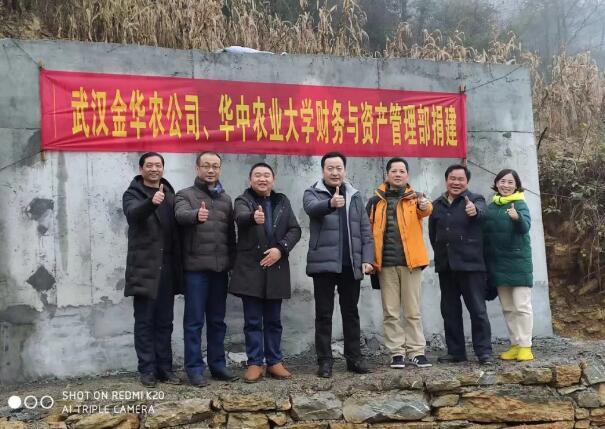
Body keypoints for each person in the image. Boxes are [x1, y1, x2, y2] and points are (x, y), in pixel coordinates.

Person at [303, 151, 374, 378]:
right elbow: (312, 209)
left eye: (339, 168)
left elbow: (365, 230)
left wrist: (367, 258)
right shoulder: (312, 192)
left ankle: (354, 358)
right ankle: (325, 361)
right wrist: (330, 204)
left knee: (351, 312)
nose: (335, 172)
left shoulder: (354, 195)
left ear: (345, 170)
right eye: (330, 168)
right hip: (323, 264)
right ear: (323, 170)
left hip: (350, 265)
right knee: (324, 314)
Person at [229, 162, 302, 382]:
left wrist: (281, 249)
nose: (262, 179)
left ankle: (274, 361)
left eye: (266, 175)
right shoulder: (243, 200)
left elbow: (295, 229)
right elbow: (240, 217)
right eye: (258, 175)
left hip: (276, 266)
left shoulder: (282, 201)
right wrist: (253, 218)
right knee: (252, 321)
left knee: (273, 320)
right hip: (251, 268)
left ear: (273, 179)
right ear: (250, 179)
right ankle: (254, 363)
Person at [174, 151, 237, 386]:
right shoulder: (185, 195)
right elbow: (180, 215)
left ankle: (218, 365)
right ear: (197, 168)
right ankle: (194, 369)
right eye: (206, 166)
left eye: (215, 166)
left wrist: (232, 263)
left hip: (220, 271)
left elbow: (230, 236)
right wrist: (195, 216)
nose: (211, 170)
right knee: (194, 322)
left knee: (217, 321)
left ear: (220, 169)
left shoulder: (226, 200)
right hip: (196, 270)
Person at [122, 152, 182, 387]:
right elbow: (132, 214)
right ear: (141, 169)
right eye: (149, 165)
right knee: (145, 321)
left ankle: (165, 369)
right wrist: (151, 202)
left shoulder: (170, 195)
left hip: (167, 266)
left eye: (158, 165)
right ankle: (146, 370)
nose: (154, 169)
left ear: (163, 169)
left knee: (165, 321)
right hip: (144, 267)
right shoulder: (132, 194)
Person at [366, 157, 433, 369]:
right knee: (391, 311)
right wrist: (369, 260)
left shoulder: (415, 198)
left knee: (412, 311)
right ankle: (397, 352)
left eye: (401, 171)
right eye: (393, 171)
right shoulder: (375, 202)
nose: (397, 174)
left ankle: (417, 351)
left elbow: (426, 209)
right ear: (387, 175)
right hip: (385, 265)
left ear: (407, 175)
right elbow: (367, 232)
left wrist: (423, 202)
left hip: (410, 263)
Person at [429, 164, 493, 365]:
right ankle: (456, 352)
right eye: (452, 178)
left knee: (477, 310)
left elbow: (482, 213)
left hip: (471, 266)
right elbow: (433, 235)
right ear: (446, 180)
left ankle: (484, 352)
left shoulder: (475, 199)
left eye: (460, 179)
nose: (456, 182)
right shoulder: (437, 204)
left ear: (467, 182)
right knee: (450, 311)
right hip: (446, 266)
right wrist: (441, 255)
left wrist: (474, 211)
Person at [483, 169, 534, 361]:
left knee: (522, 306)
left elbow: (525, 227)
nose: (506, 185)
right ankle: (515, 344)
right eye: (502, 181)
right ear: (496, 183)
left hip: (518, 263)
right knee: (508, 308)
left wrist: (517, 218)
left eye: (510, 182)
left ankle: (526, 346)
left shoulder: (520, 203)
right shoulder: (491, 207)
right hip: (498, 263)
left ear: (516, 186)